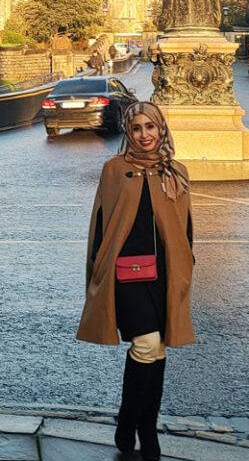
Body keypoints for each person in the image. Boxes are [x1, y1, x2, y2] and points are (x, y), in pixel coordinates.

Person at [76, 101, 195, 460]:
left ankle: (146, 423)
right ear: (129, 132)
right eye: (137, 128)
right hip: (124, 273)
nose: (145, 135)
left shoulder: (176, 171)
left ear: (161, 129)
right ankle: (132, 423)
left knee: (157, 349)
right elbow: (101, 220)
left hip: (165, 272)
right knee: (145, 344)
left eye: (151, 127)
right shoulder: (114, 169)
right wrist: (98, 268)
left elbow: (185, 226)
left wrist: (187, 264)